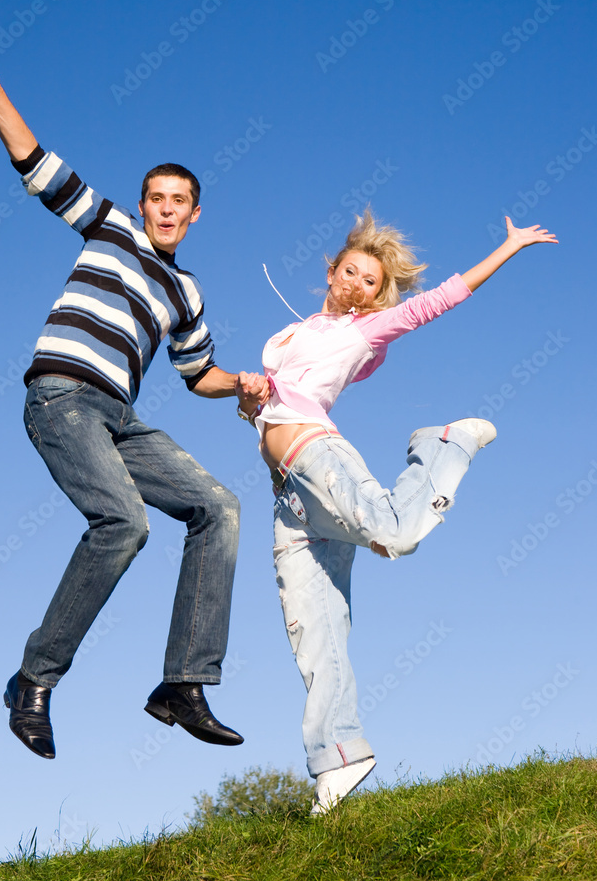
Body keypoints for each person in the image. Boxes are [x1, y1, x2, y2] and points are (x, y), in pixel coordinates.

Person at [0, 0, 268, 759]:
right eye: (156, 199)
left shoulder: (187, 291)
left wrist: (242, 383)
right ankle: (33, 680)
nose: (166, 210)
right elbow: (33, 159)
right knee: (124, 524)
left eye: (179, 202)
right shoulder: (109, 226)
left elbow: (198, 373)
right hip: (62, 395)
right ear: (142, 205)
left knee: (219, 506)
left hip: (120, 418)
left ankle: (182, 684)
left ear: (195, 215)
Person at [236, 210, 557, 814]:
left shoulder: (364, 331)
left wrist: (508, 247)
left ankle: (444, 444)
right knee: (315, 630)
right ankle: (339, 757)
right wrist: (251, 396)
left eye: (371, 282)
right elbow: (266, 404)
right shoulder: (289, 336)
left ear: (377, 295)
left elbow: (439, 301)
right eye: (351, 272)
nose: (357, 285)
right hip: (289, 496)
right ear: (331, 271)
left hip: (319, 461)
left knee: (397, 533)